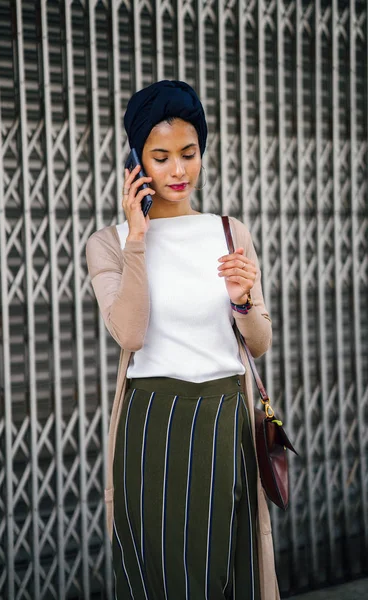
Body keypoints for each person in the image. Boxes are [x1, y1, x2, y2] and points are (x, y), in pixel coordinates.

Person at [86, 80, 280, 600]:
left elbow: (258, 343)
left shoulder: (228, 232)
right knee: (161, 578)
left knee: (226, 572)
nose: (178, 171)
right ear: (136, 161)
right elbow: (128, 332)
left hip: (224, 419)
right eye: (161, 156)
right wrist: (139, 240)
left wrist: (242, 300)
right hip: (153, 425)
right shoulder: (108, 244)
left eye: (189, 154)